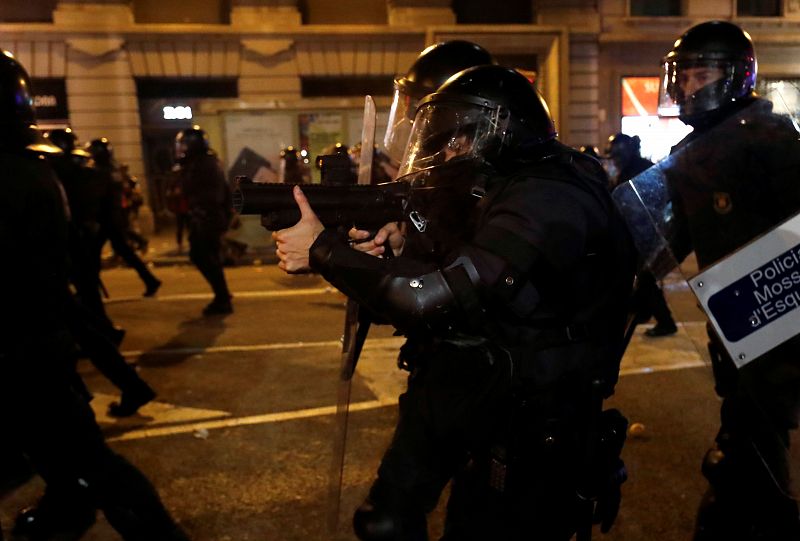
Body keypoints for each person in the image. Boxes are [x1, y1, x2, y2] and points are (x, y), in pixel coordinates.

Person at [274, 65, 636, 540]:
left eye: (458, 139)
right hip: (471, 383)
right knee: (384, 522)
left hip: (532, 412)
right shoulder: (490, 188)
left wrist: (324, 250)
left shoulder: (548, 197)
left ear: (502, 131)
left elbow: (433, 299)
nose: (445, 153)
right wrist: (391, 255)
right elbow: (429, 283)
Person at [0, 48, 189, 541]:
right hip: (37, 337)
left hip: (22, 349)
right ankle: (66, 508)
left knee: (88, 463)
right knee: (76, 461)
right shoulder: (34, 168)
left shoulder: (18, 174)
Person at [658, 20, 800, 539]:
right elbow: (662, 239)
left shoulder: (772, 139)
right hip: (741, 327)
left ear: (736, 77)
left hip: (777, 331)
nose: (691, 85)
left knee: (747, 458)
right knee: (749, 454)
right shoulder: (700, 148)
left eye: (704, 74)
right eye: (686, 74)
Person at [607, 133, 678, 337]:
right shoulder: (635, 167)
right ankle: (643, 311)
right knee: (643, 276)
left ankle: (665, 320)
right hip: (642, 230)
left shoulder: (638, 170)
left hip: (646, 231)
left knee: (647, 277)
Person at [87, 137, 162, 297]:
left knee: (93, 256)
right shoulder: (112, 170)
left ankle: (89, 289)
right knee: (124, 252)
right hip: (113, 216)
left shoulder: (101, 172)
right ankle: (150, 280)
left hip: (105, 218)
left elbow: (97, 196)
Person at [174, 126, 234, 315]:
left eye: (185, 145)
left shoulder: (203, 164)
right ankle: (222, 296)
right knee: (208, 257)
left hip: (206, 217)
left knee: (203, 256)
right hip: (206, 216)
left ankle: (223, 297)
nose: (182, 149)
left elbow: (210, 194)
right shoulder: (201, 162)